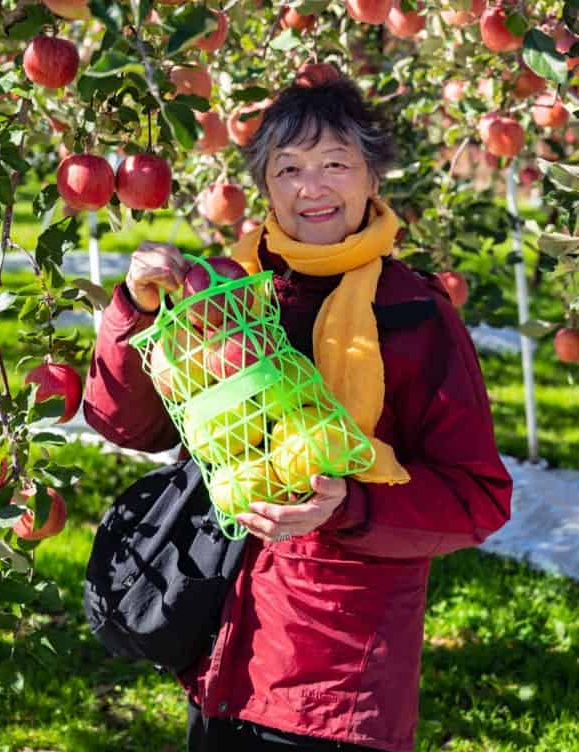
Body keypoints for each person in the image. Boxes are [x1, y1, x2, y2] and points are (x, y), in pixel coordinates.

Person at [83, 79, 513, 752]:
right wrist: (134, 316)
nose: (312, 187)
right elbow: (130, 427)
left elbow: (478, 499)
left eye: (335, 164)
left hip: (333, 681)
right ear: (264, 186)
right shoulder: (226, 296)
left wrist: (350, 504)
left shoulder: (413, 316)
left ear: (372, 175)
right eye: (289, 168)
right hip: (217, 644)